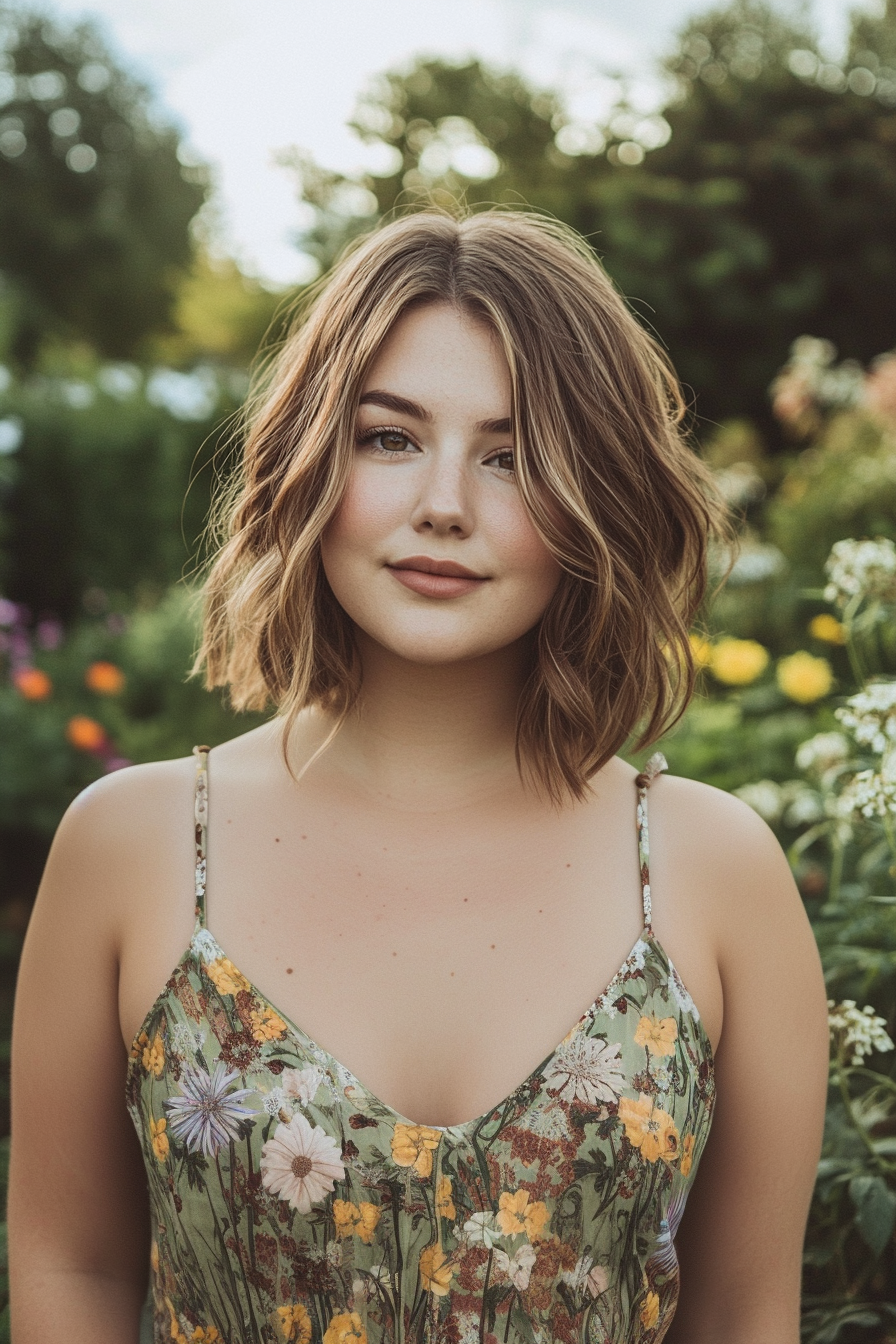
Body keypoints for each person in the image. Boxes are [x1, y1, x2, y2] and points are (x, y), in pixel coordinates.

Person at [9, 209, 829, 1344]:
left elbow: (744, 1314)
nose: (444, 503)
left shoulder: (713, 872)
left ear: (591, 493)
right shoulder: (133, 846)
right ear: (309, 457)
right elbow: (72, 1269)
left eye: (510, 457)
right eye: (390, 438)